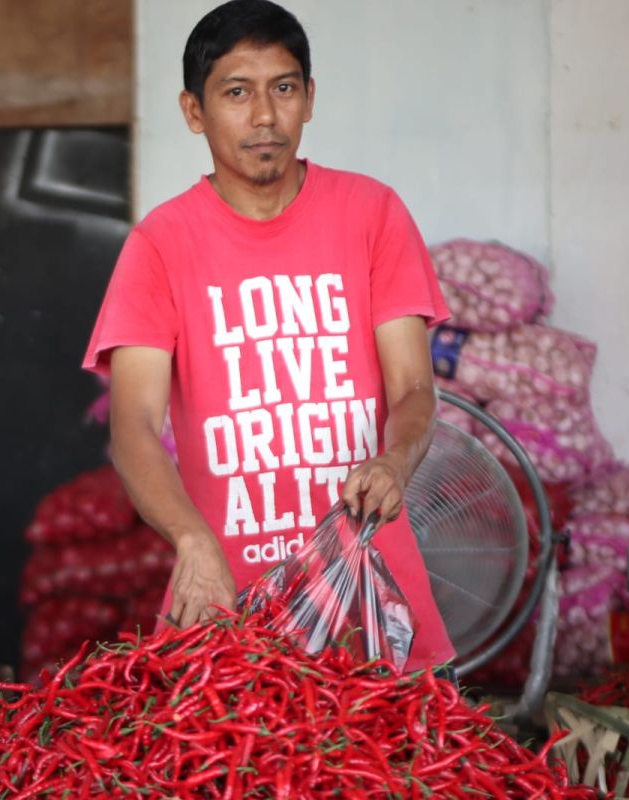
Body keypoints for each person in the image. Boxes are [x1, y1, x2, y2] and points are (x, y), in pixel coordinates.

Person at [83, 0, 455, 672]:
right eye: (235, 92)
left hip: (373, 609)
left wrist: (394, 462)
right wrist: (192, 538)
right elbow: (133, 425)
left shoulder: (373, 215)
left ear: (309, 99)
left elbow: (413, 389)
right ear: (194, 111)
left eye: (283, 88)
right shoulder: (160, 246)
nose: (264, 116)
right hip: (226, 613)